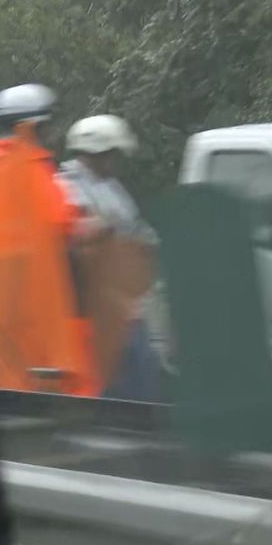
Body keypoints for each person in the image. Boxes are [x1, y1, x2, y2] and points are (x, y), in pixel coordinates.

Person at [0, 84, 99, 396]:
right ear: (28, 127)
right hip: (42, 316)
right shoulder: (30, 169)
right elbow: (67, 226)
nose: (50, 134)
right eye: (46, 126)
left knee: (11, 396)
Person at [56, 115, 163, 401]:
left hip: (126, 302)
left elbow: (136, 227)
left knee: (142, 375)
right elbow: (80, 235)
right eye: (112, 154)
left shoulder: (111, 187)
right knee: (114, 383)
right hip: (97, 307)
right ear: (97, 152)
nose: (115, 161)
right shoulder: (67, 187)